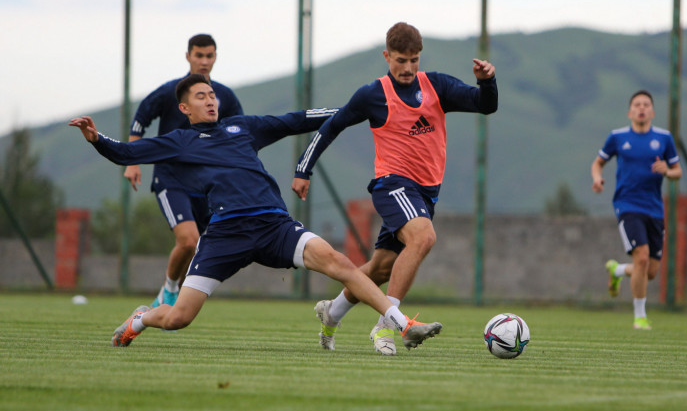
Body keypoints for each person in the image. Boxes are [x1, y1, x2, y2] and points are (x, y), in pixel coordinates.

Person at [69, 74, 442, 351]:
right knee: (177, 318)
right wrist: (96, 139)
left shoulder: (241, 127)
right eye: (201, 97)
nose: (211, 100)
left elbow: (295, 120)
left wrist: (352, 112)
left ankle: (400, 323)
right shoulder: (180, 141)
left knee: (339, 261)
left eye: (212, 94)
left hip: (273, 225)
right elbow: (127, 154)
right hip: (225, 234)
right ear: (185, 108)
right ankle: (141, 317)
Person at [291, 22, 497, 355]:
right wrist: (304, 168)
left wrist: (487, 82)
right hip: (393, 185)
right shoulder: (373, 94)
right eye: (401, 60)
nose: (408, 67)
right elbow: (333, 126)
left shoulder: (437, 86)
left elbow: (485, 105)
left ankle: (333, 312)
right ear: (387, 56)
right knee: (423, 237)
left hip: (426, 195)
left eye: (414, 60)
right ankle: (389, 326)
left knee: (380, 268)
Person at [125, 34, 244, 309]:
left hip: (207, 184)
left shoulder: (223, 96)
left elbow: (240, 134)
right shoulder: (171, 91)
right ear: (188, 56)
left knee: (202, 247)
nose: (204, 61)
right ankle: (169, 291)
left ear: (215, 58)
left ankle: (173, 296)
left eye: (209, 55)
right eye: (199, 55)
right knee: (189, 240)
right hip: (171, 179)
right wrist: (132, 162)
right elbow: (140, 120)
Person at [590, 89, 682, 330]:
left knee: (650, 271)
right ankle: (640, 317)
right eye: (637, 104)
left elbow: (677, 171)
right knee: (641, 256)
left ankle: (618, 270)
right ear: (630, 111)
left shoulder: (664, 138)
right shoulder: (618, 137)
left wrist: (667, 171)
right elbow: (598, 162)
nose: (641, 108)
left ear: (652, 111)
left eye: (646, 104)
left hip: (654, 209)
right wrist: (597, 178)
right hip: (627, 205)